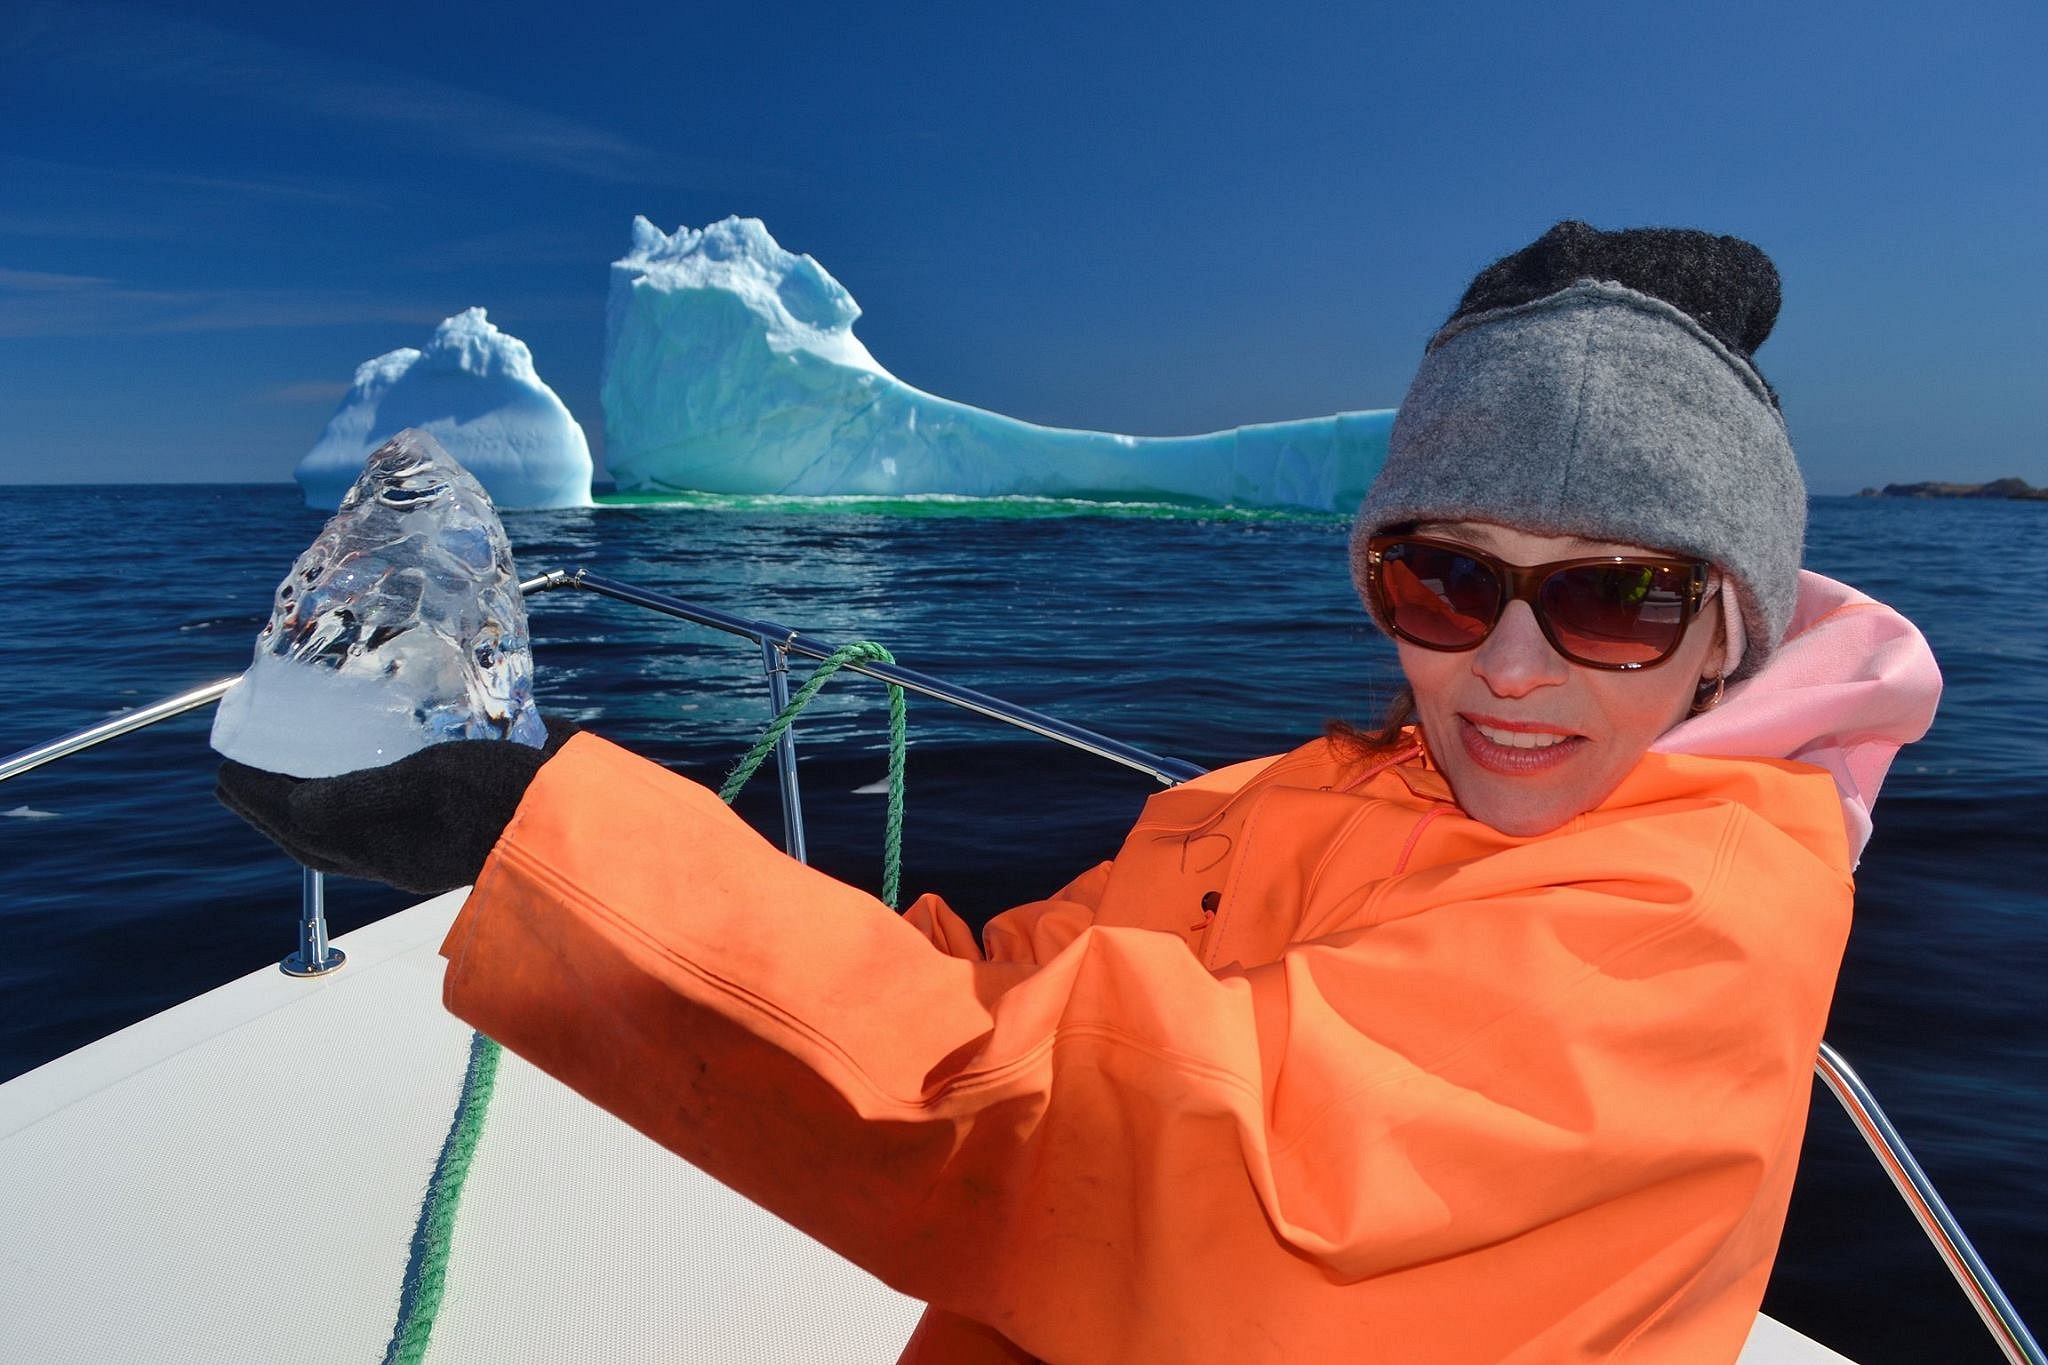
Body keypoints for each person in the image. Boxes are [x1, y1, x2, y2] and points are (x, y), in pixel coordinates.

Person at [220, 221, 1941, 1363]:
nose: (1508, 664)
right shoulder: (1335, 794)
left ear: (1731, 628)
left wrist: (541, 843)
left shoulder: (1690, 929)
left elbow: (1137, 1138)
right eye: (1443, 580)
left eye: (1611, 597)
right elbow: (1009, 995)